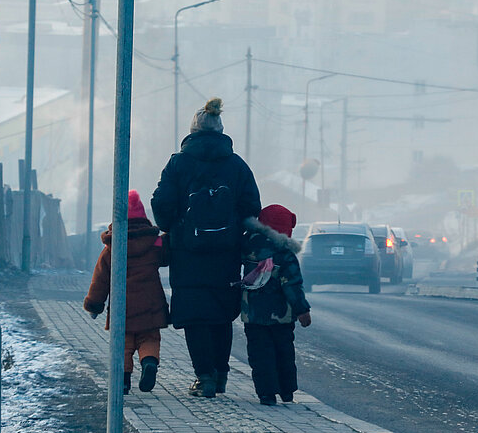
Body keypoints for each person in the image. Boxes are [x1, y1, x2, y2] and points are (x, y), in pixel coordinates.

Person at [151, 97, 261, 398]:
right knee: (220, 315)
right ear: (221, 130)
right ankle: (221, 373)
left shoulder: (178, 163)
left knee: (196, 315)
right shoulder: (237, 166)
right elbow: (252, 207)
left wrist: (173, 227)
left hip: (188, 254)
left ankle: (205, 377)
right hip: (226, 254)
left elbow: (161, 204)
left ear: (192, 131)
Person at [83, 190, 171, 394]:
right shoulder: (154, 243)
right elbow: (166, 256)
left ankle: (123, 380)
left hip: (123, 305)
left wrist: (94, 305)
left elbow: (101, 279)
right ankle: (149, 363)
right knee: (149, 338)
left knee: (123, 343)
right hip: (151, 303)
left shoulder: (111, 249)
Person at [240, 204, 312, 406]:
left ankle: (266, 393)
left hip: (252, 313)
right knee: (284, 351)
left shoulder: (247, 245)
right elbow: (292, 284)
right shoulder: (284, 253)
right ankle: (286, 390)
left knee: (259, 353)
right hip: (281, 315)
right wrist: (302, 309)